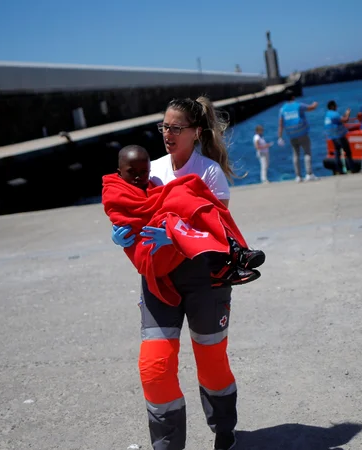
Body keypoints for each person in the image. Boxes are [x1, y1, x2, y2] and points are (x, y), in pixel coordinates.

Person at [110, 97, 243, 450]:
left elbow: (220, 229)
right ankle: (167, 445)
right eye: (164, 127)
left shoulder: (209, 173)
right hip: (159, 279)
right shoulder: (150, 170)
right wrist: (122, 234)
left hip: (205, 279)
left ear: (196, 132)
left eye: (176, 127)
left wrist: (177, 234)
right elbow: (132, 214)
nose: (167, 133)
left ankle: (224, 430)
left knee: (212, 361)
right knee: (154, 367)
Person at [109, 144, 264, 287]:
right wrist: (116, 235)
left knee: (185, 190)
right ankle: (223, 262)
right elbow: (127, 216)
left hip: (163, 244)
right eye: (165, 127)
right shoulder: (115, 191)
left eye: (143, 172)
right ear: (119, 172)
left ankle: (232, 250)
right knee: (180, 195)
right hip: (150, 252)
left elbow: (155, 206)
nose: (138, 177)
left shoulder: (151, 183)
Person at [277, 89, 319, 182]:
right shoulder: (298, 105)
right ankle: (309, 174)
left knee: (295, 155)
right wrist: (315, 104)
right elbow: (311, 108)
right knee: (307, 152)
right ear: (293, 97)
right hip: (302, 133)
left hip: (291, 135)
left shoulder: (282, 109)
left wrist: (280, 137)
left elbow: (281, 124)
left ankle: (298, 176)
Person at [324, 100, 355, 174]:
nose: (336, 107)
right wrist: (348, 113)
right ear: (332, 106)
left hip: (333, 137)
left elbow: (340, 120)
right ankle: (352, 168)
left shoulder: (328, 114)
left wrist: (345, 115)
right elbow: (345, 120)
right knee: (347, 152)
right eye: (335, 105)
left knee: (337, 153)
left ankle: (339, 170)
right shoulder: (334, 114)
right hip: (339, 136)